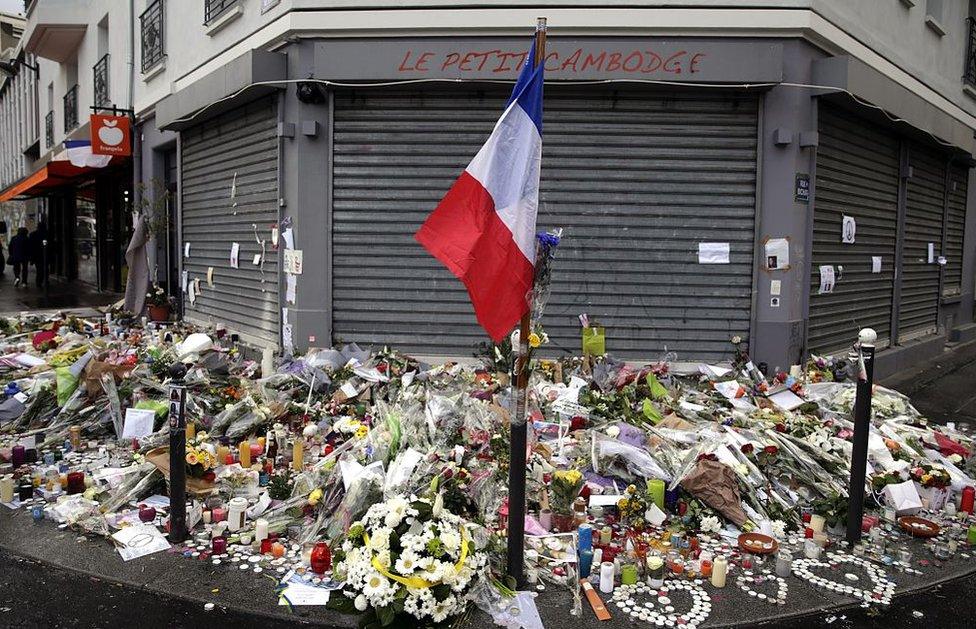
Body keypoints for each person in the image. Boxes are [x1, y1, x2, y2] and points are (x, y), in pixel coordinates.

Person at [28, 221, 48, 288]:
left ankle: (39, 282)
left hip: (37, 256)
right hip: (45, 255)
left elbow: (30, 246)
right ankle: (44, 281)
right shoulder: (47, 233)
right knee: (45, 269)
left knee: (39, 269)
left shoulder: (33, 234)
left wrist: (31, 257)